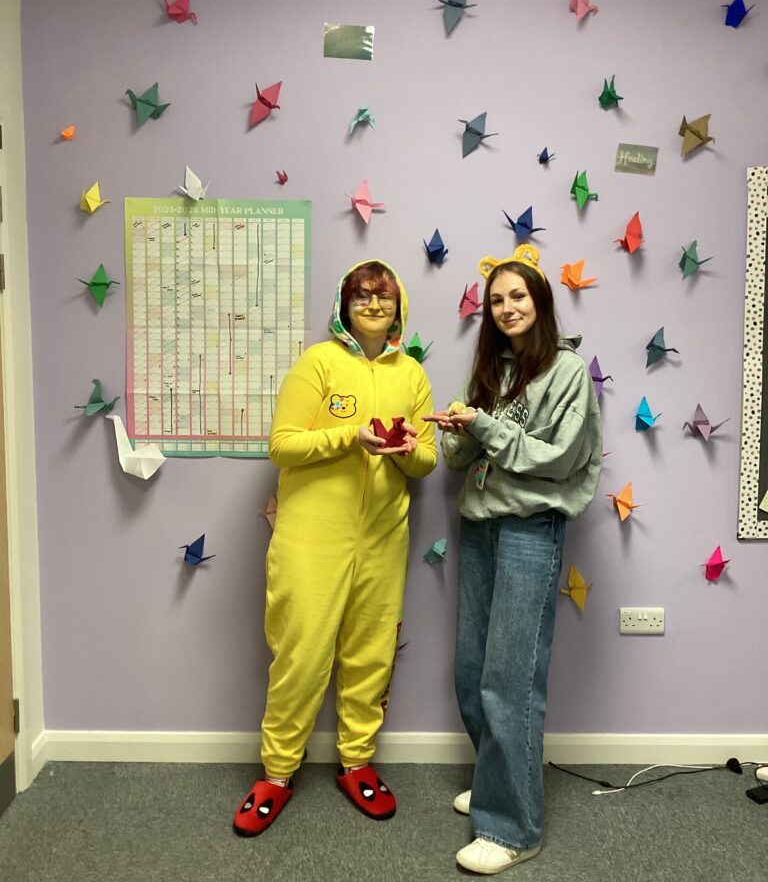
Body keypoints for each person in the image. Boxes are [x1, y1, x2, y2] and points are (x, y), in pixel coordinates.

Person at [234, 259, 437, 835]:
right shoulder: (317, 363)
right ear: (344, 307)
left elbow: (427, 461)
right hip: (311, 536)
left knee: (371, 654)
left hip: (383, 537)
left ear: (399, 308)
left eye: (384, 297)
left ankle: (357, 762)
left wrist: (406, 451)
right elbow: (282, 445)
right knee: (300, 654)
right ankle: (277, 773)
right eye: (362, 296)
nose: (374, 305)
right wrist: (352, 437)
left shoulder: (412, 374)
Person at [428, 244, 602, 875]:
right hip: (479, 526)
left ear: (541, 301)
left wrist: (486, 429)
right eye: (497, 300)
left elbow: (558, 458)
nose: (507, 308)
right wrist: (456, 433)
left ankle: (512, 827)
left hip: (531, 528)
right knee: (473, 671)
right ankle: (498, 780)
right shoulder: (487, 370)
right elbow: (461, 460)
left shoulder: (567, 371)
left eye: (518, 296)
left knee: (510, 678)